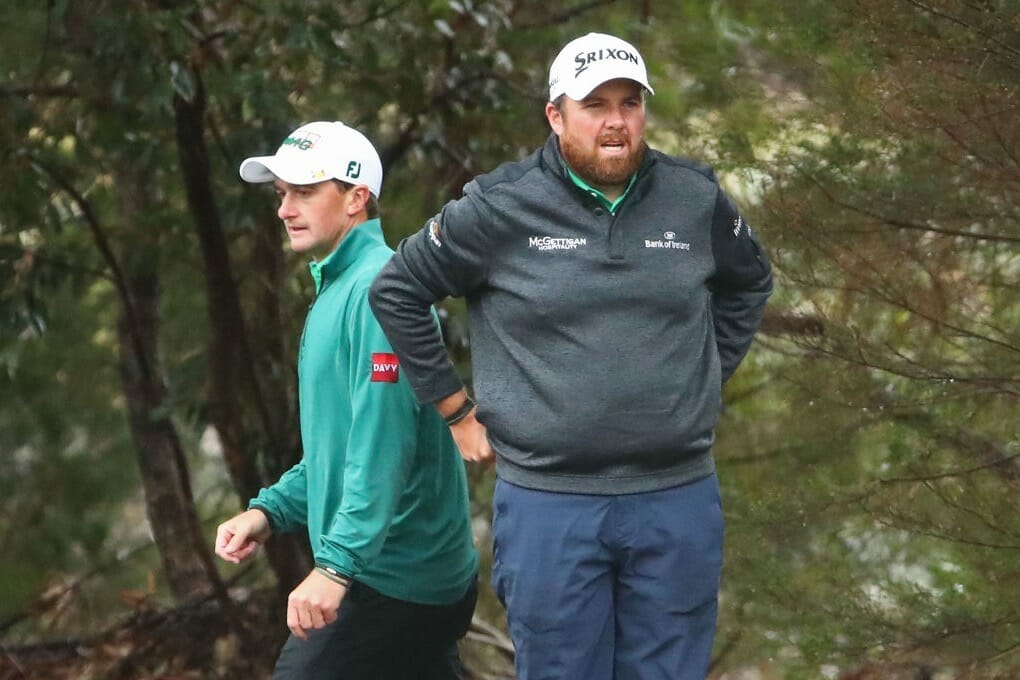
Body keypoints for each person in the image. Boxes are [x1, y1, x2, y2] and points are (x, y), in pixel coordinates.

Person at [369, 32, 773, 680]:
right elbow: (397, 290)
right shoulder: (499, 207)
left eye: (629, 103)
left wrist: (702, 377)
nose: (616, 121)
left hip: (676, 496)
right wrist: (455, 410)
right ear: (555, 116)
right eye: (595, 105)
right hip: (550, 503)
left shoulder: (694, 198)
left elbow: (750, 281)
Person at [214, 120, 479, 680]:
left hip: (397, 577)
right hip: (392, 569)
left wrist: (334, 567)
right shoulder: (341, 288)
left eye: (304, 192)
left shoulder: (381, 292)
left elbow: (383, 450)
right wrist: (269, 511)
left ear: (357, 198)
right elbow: (338, 451)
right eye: (282, 193)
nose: (285, 209)